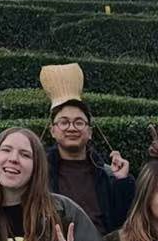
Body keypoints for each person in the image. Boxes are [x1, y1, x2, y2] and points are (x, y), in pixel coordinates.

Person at [44, 99, 136, 233]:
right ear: (52, 131)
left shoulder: (106, 174)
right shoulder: (40, 172)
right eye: (64, 122)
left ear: (90, 132)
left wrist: (122, 181)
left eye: (79, 123)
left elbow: (125, 221)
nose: (72, 128)